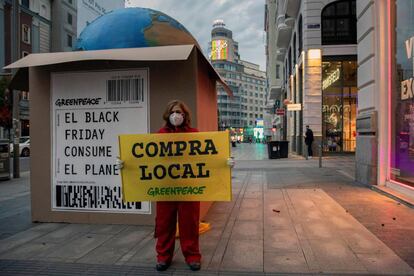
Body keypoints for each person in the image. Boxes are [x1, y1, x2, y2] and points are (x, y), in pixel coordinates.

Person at [116, 100, 234, 272]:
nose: (176, 115)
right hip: (165, 189)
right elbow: (146, 159)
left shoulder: (195, 134)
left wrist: (225, 163)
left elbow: (207, 157)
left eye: (179, 112)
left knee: (190, 224)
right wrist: (125, 164)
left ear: (185, 115)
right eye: (173, 112)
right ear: (167, 115)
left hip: (189, 189)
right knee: (164, 224)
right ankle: (163, 257)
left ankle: (192, 256)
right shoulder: (160, 135)